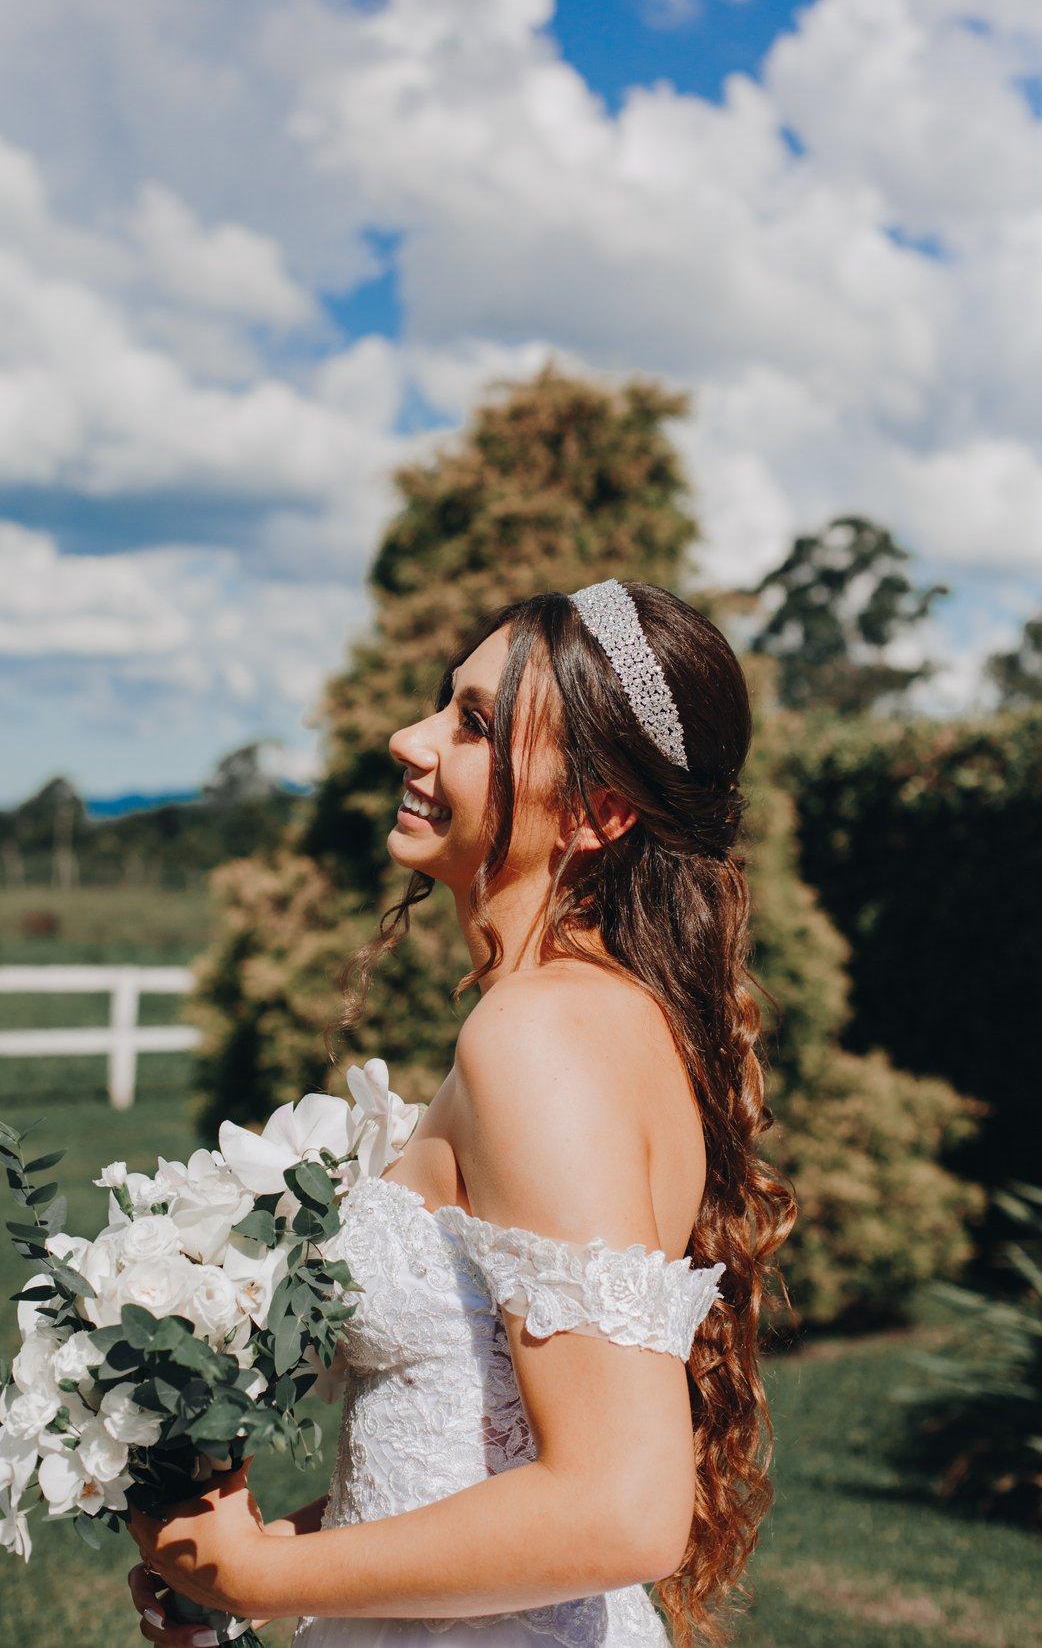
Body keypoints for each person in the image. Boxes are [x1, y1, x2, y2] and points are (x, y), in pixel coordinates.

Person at [127, 579, 796, 1647]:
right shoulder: (605, 1015)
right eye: (445, 704)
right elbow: (483, 1452)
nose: (410, 737)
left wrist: (252, 1575)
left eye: (474, 725)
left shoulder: (537, 1038)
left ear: (597, 812)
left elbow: (621, 1507)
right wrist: (284, 1561)